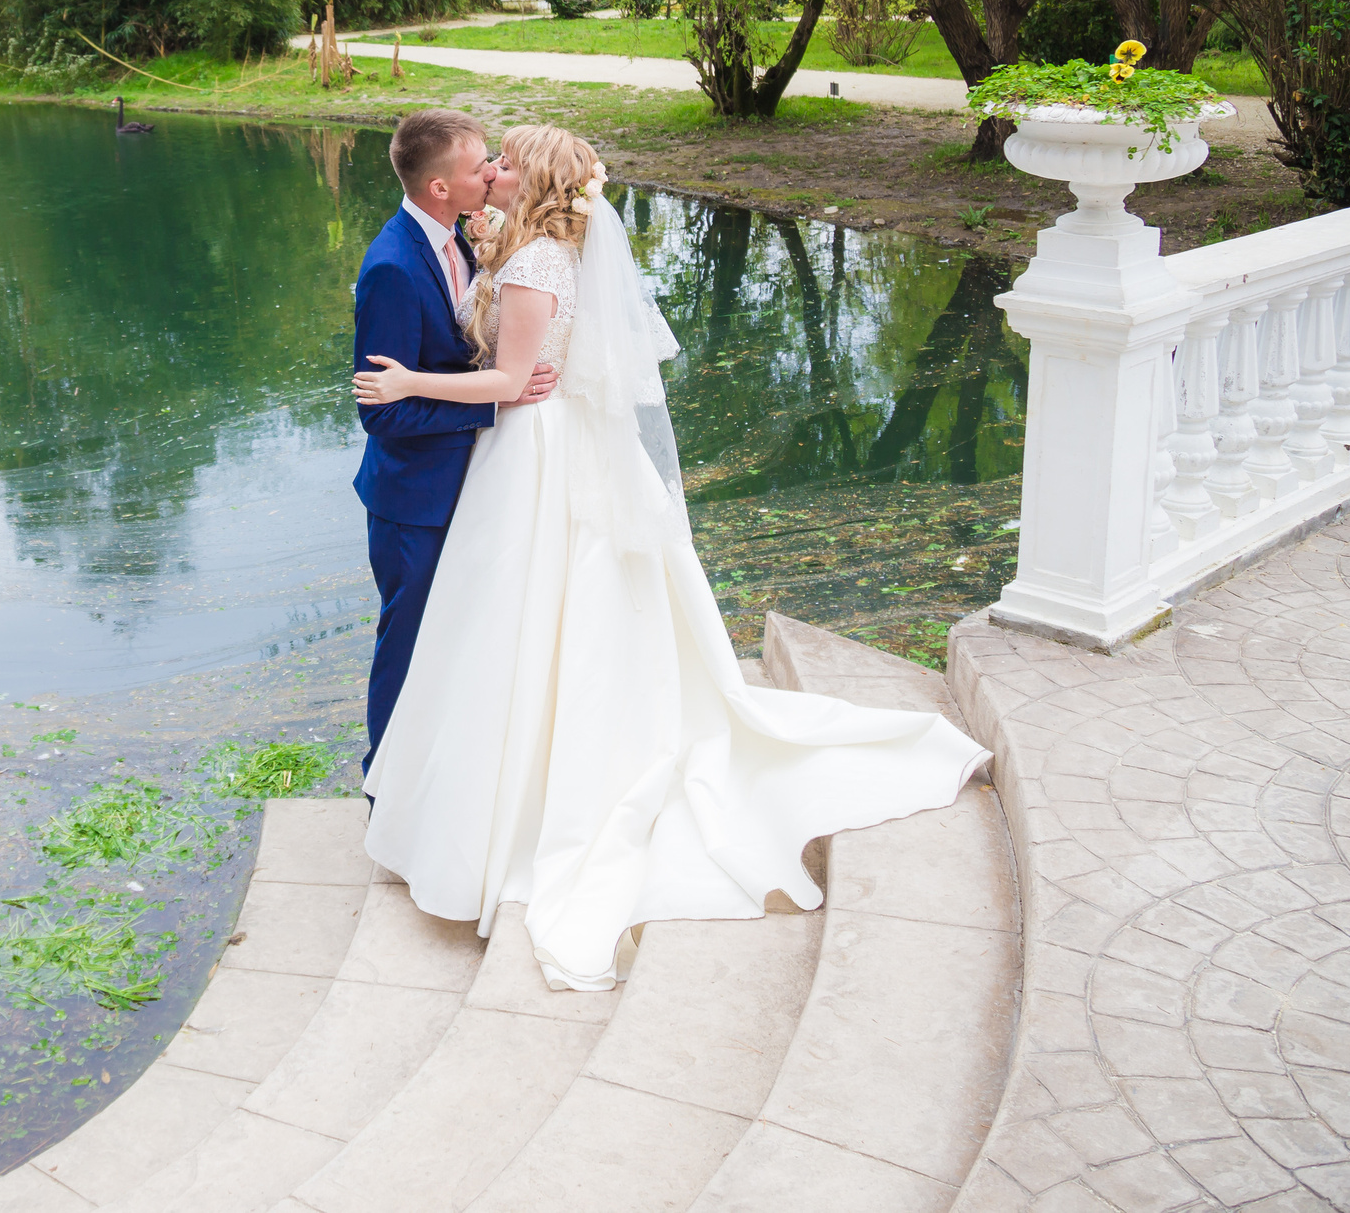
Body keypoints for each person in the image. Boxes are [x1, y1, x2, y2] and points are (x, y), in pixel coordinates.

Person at [352, 123, 989, 991]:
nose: (492, 171)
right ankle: (441, 790)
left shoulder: (538, 264)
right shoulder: (509, 248)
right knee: (496, 624)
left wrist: (413, 380)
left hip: (534, 451)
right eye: (481, 163)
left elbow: (508, 382)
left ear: (531, 182)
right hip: (521, 450)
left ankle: (486, 805)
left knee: (518, 617)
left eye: (503, 161)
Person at [349, 110, 556, 776]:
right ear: (441, 188)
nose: (491, 172)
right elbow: (384, 415)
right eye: (478, 167)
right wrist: (495, 405)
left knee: (458, 643)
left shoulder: (460, 239)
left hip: (471, 486)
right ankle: (385, 783)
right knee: (407, 645)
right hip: (414, 500)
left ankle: (442, 779)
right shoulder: (392, 267)